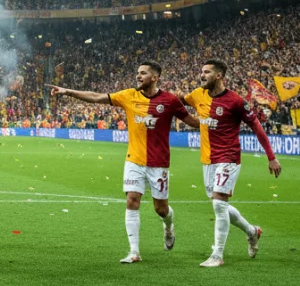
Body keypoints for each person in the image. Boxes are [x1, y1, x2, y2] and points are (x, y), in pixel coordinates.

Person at [48, 62, 197, 263]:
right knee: (132, 200)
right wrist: (68, 91)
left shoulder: (169, 100)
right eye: (138, 73)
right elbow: (96, 97)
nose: (138, 76)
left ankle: (169, 225)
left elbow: (190, 120)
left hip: (159, 163)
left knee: (161, 209)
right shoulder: (128, 95)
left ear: (154, 78)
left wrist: (216, 123)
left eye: (143, 73)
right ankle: (134, 252)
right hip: (134, 160)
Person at [180, 59, 281, 268]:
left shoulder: (235, 101)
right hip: (207, 159)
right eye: (201, 71)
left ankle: (217, 255)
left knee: (219, 204)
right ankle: (252, 231)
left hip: (229, 157)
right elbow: (180, 100)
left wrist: (271, 157)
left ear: (219, 75)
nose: (202, 75)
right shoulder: (198, 94)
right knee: (220, 205)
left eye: (207, 72)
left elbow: (256, 126)